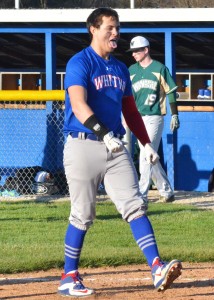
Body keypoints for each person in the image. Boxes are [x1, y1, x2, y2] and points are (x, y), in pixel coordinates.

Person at [58, 8, 182, 297]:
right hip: (83, 144)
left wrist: (145, 142)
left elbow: (130, 110)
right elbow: (78, 105)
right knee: (82, 214)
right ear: (93, 29)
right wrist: (103, 133)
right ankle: (68, 276)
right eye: (110, 28)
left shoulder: (120, 68)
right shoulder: (80, 62)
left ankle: (156, 267)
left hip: (114, 147)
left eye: (117, 27)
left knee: (135, 206)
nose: (116, 33)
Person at [127, 36, 180, 203]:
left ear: (146, 50)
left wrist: (175, 114)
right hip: (137, 119)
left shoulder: (159, 68)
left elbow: (170, 91)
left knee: (145, 155)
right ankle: (166, 191)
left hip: (154, 117)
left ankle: (141, 195)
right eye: (133, 51)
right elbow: (126, 96)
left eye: (137, 51)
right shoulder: (131, 71)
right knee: (151, 156)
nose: (134, 54)